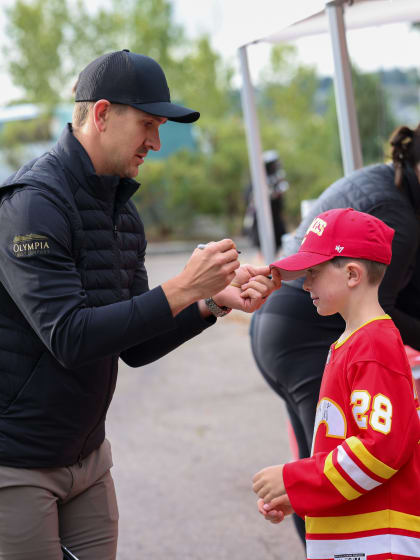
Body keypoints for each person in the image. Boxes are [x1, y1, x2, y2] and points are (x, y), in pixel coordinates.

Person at [0, 50, 280, 560]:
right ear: (102, 115)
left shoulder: (122, 214)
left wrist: (209, 302)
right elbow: (71, 337)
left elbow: (134, 347)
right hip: (16, 464)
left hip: (88, 457)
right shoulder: (32, 203)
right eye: (148, 124)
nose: (156, 142)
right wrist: (180, 288)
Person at [249, 124, 420, 543]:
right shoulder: (362, 341)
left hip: (283, 332)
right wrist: (298, 486)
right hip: (299, 332)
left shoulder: (367, 345)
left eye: (311, 273)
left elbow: (379, 450)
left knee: (325, 453)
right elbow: (356, 457)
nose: (305, 282)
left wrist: (295, 482)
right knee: (326, 451)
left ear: (352, 274)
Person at [243, 149, 289, 250]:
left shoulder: (277, 179)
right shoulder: (257, 182)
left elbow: (280, 202)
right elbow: (250, 200)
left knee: (279, 245)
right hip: (261, 221)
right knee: (261, 247)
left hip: (275, 220)